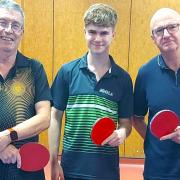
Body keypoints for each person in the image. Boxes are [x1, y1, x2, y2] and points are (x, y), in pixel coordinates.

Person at [49, 3, 133, 180]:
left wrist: (122, 133)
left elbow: (126, 123)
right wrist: (53, 161)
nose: (98, 38)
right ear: (84, 32)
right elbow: (55, 116)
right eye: (92, 32)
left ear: (113, 34)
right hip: (70, 168)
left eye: (104, 33)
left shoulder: (123, 79)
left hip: (106, 171)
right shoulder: (67, 72)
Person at [0, 0, 51, 180]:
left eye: (15, 25)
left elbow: (44, 118)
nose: (8, 30)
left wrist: (7, 137)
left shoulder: (34, 69)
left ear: (22, 32)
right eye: (3, 22)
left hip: (25, 170)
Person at [133, 8, 180, 180]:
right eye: (159, 30)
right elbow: (136, 117)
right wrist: (156, 140)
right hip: (159, 171)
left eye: (172, 27)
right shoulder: (145, 73)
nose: (166, 34)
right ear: (153, 38)